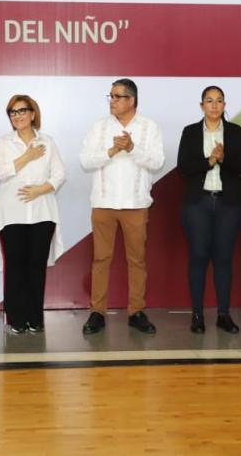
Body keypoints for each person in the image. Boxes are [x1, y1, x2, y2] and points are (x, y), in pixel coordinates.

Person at [79, 78, 165, 334]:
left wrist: (132, 148)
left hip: (135, 204)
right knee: (100, 259)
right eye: (111, 96)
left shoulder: (149, 127)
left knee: (136, 260)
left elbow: (157, 162)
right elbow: (85, 161)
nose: (112, 101)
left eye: (117, 97)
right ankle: (97, 312)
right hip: (103, 203)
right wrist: (112, 151)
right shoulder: (99, 128)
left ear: (131, 100)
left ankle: (136, 311)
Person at [0, 94, 65, 334]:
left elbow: (59, 174)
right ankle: (16, 319)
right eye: (13, 112)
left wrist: (40, 190)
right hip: (12, 214)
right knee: (15, 267)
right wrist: (27, 157)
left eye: (22, 111)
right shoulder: (5, 142)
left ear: (33, 114)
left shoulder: (48, 141)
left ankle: (35, 318)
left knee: (36, 266)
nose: (17, 116)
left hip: (42, 212)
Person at [177, 86, 241, 334]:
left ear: (224, 105)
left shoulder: (236, 132)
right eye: (209, 101)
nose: (214, 105)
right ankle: (197, 315)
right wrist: (210, 161)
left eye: (219, 101)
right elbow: (183, 168)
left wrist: (224, 158)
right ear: (202, 106)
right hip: (198, 203)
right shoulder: (190, 132)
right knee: (198, 256)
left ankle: (223, 315)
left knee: (224, 259)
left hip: (228, 204)